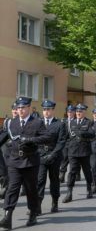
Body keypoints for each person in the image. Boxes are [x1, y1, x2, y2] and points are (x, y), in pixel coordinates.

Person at [0, 97, 51, 229]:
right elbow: (4, 136)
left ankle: (33, 213)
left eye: (23, 108)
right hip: (15, 160)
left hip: (30, 161)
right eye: (18, 108)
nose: (20, 110)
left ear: (29, 108)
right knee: (12, 188)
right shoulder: (11, 122)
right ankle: (7, 216)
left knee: (30, 189)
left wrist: (31, 140)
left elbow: (47, 137)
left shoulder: (37, 122)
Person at [37, 100, 66, 214]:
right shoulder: (38, 123)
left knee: (54, 181)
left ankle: (55, 203)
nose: (46, 112)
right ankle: (38, 205)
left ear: (53, 110)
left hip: (54, 156)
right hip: (41, 156)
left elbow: (61, 142)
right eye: (44, 110)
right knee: (40, 181)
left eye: (48, 109)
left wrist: (53, 154)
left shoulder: (59, 124)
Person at [62, 103, 95, 203]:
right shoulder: (71, 123)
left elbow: (92, 134)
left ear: (84, 112)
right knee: (72, 172)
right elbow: (66, 136)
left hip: (84, 151)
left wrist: (82, 133)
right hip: (73, 151)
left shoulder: (89, 122)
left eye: (80, 111)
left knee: (87, 171)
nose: (78, 113)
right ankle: (69, 192)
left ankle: (89, 188)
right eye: (77, 111)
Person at [0, 103, 18, 199]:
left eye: (16, 109)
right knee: (7, 170)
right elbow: (4, 133)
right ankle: (6, 189)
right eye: (13, 109)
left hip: (18, 150)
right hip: (7, 150)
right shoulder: (7, 121)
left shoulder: (23, 122)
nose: (15, 111)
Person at [59, 105, 76, 183]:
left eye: (71, 112)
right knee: (64, 158)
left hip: (74, 143)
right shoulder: (63, 121)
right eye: (68, 112)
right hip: (66, 143)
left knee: (74, 160)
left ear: (74, 112)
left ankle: (76, 174)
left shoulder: (76, 121)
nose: (70, 113)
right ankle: (62, 175)